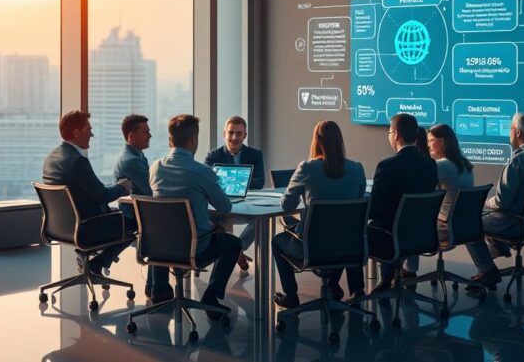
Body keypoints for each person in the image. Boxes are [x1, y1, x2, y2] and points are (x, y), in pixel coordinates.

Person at [150, 114, 241, 316]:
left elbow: (168, 210)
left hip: (160, 246)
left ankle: (159, 290)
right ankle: (211, 297)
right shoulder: (202, 172)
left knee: (166, 232)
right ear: (193, 140)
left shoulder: (156, 168)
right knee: (233, 243)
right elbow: (225, 207)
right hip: (195, 246)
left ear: (170, 140)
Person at [272, 121, 367, 308]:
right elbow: (359, 200)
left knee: (277, 241)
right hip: (349, 247)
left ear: (316, 141)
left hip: (312, 248)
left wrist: (303, 196)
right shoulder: (357, 168)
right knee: (342, 232)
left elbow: (287, 204)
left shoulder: (308, 167)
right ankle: (348, 288)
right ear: (340, 141)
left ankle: (291, 295)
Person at [466, 112, 524, 290]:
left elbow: (502, 203)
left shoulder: (518, 161)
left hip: (514, 221)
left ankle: (487, 270)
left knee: (469, 223)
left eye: (509, 129)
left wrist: (485, 203)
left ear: (516, 132)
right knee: (485, 214)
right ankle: (499, 247)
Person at [42, 110, 133, 274]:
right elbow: (102, 196)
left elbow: (87, 191)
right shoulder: (78, 161)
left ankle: (86, 254)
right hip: (86, 227)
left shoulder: (52, 157)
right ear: (76, 133)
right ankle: (97, 263)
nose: (92, 134)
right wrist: (123, 187)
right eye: (88, 129)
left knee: (117, 214)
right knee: (135, 223)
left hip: (60, 227)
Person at [368, 113, 438, 292]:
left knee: (369, 227)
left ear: (396, 135)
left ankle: (376, 284)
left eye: (389, 132)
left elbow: (375, 209)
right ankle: (387, 279)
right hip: (423, 236)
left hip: (390, 238)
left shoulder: (387, 166)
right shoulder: (430, 164)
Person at [111, 113, 162, 300]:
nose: (149, 135)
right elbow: (152, 191)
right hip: (135, 215)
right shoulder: (131, 161)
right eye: (145, 132)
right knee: (170, 227)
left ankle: (155, 286)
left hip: (142, 211)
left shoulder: (137, 155)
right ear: (131, 135)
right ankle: (158, 287)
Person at [204, 115, 265, 270]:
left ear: (245, 135)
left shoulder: (255, 154)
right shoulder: (213, 155)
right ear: (224, 134)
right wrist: (240, 178)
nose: (234, 137)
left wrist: (230, 179)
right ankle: (231, 252)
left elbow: (260, 182)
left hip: (244, 206)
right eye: (230, 133)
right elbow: (205, 180)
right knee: (210, 219)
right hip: (220, 208)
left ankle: (238, 248)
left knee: (259, 221)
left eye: (239, 133)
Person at [427, 123, 476, 220]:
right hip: (461, 220)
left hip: (443, 222)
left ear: (442, 141)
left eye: (431, 140)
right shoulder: (463, 162)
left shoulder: (443, 165)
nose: (428, 145)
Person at [403, 125, 432, 278]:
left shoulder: (436, 166)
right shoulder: (431, 166)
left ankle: (388, 277)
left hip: (411, 229)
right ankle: (408, 270)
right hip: (427, 226)